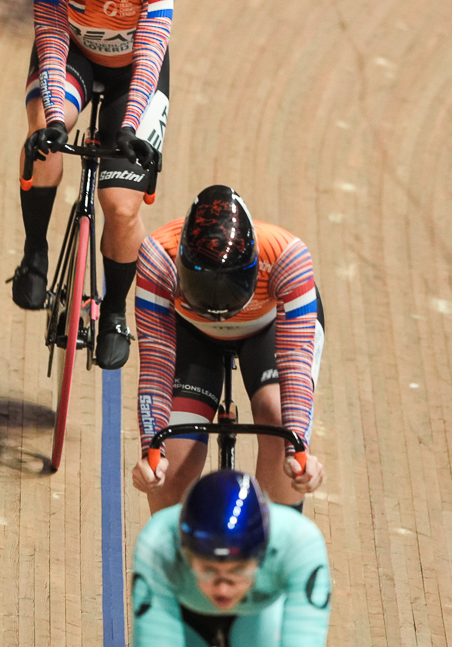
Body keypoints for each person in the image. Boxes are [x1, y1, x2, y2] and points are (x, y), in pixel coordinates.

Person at [11, 0, 173, 372]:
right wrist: (57, 120)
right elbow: (53, 40)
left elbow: (149, 54)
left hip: (133, 76)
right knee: (44, 137)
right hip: (75, 59)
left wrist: (127, 125)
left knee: (120, 207)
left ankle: (116, 313)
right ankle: (34, 249)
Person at [130, 186, 326, 510]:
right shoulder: (158, 257)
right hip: (193, 332)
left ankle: (275, 548)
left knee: (278, 424)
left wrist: (298, 454)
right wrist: (152, 454)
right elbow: (156, 364)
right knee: (167, 478)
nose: (220, 312)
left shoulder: (287, 256)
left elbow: (295, 365)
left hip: (267, 328)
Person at [131, 469, 331, 647]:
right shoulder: (158, 545)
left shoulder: (299, 542)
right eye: (208, 570)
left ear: (261, 555)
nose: (223, 589)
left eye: (238, 571)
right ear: (184, 552)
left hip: (258, 617)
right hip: (184, 621)